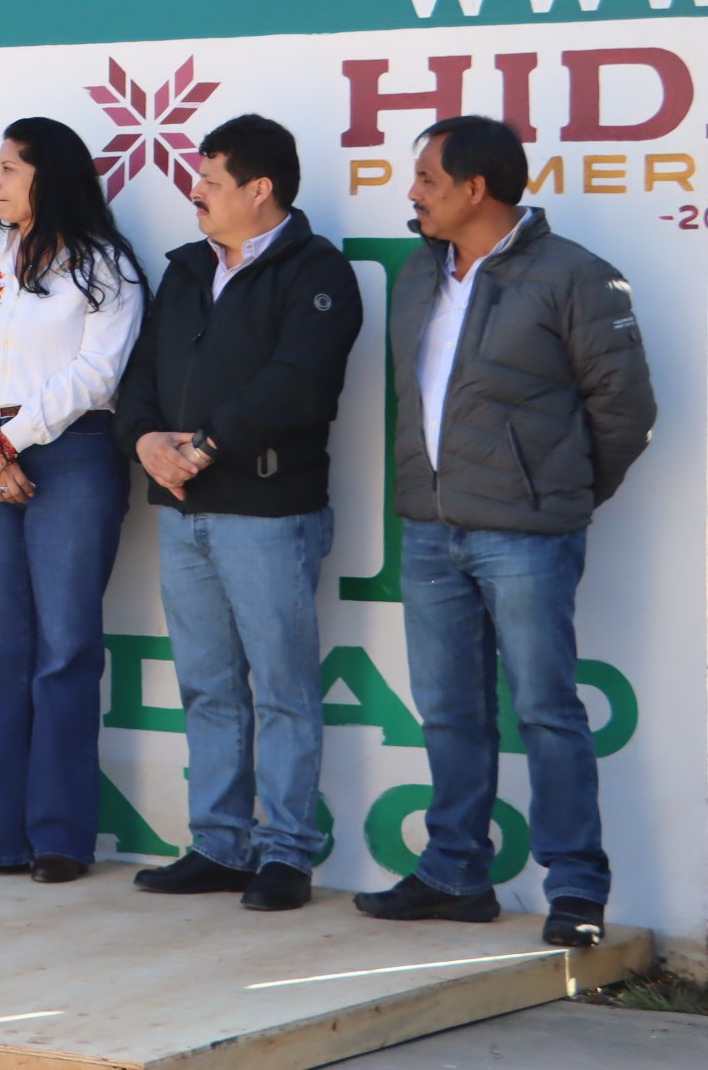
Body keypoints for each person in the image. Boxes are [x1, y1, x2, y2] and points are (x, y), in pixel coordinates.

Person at [354, 116, 654, 949]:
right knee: (449, 710)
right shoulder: (419, 271)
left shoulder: (576, 276)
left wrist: (557, 496)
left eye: (427, 178)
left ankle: (577, 888)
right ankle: (454, 871)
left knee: (548, 711)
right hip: (428, 529)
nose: (412, 193)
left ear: (475, 188)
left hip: (525, 535)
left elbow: (626, 410)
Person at [117, 115, 361, 912]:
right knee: (208, 686)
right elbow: (141, 371)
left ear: (260, 190)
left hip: (266, 510)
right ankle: (220, 846)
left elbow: (299, 381)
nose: (196, 192)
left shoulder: (317, 271)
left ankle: (286, 853)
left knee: (283, 688)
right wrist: (146, 441)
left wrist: (208, 444)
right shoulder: (188, 268)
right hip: (184, 510)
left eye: (211, 181)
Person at [0, 117, 145, 884]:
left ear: (48, 177)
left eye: (8, 168)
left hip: (74, 453)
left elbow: (96, 373)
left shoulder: (105, 266)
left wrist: (8, 442)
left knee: (65, 648)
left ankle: (60, 836)